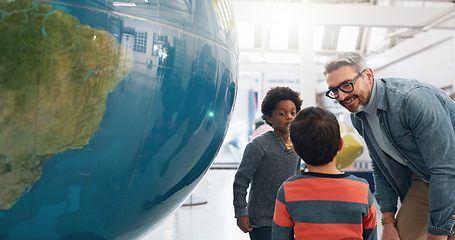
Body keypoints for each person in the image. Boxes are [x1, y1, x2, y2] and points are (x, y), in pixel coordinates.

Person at [323, 52, 455, 240]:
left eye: (346, 85)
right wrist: (388, 221)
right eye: (334, 90)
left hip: (447, 172)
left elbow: (446, 169)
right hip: (425, 178)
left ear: (368, 75)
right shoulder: (359, 116)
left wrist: (437, 234)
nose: (341, 96)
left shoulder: (412, 100)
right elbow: (380, 165)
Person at [272, 106, 377, 240]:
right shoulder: (361, 189)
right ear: (340, 144)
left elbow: (280, 236)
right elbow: (370, 236)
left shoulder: (287, 190)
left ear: (296, 151)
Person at [233, 86, 303, 240]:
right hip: (262, 221)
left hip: (289, 219)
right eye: (282, 113)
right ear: (270, 118)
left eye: (293, 112)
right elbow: (241, 181)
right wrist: (241, 213)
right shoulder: (258, 145)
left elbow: (296, 179)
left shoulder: (298, 145)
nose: (289, 117)